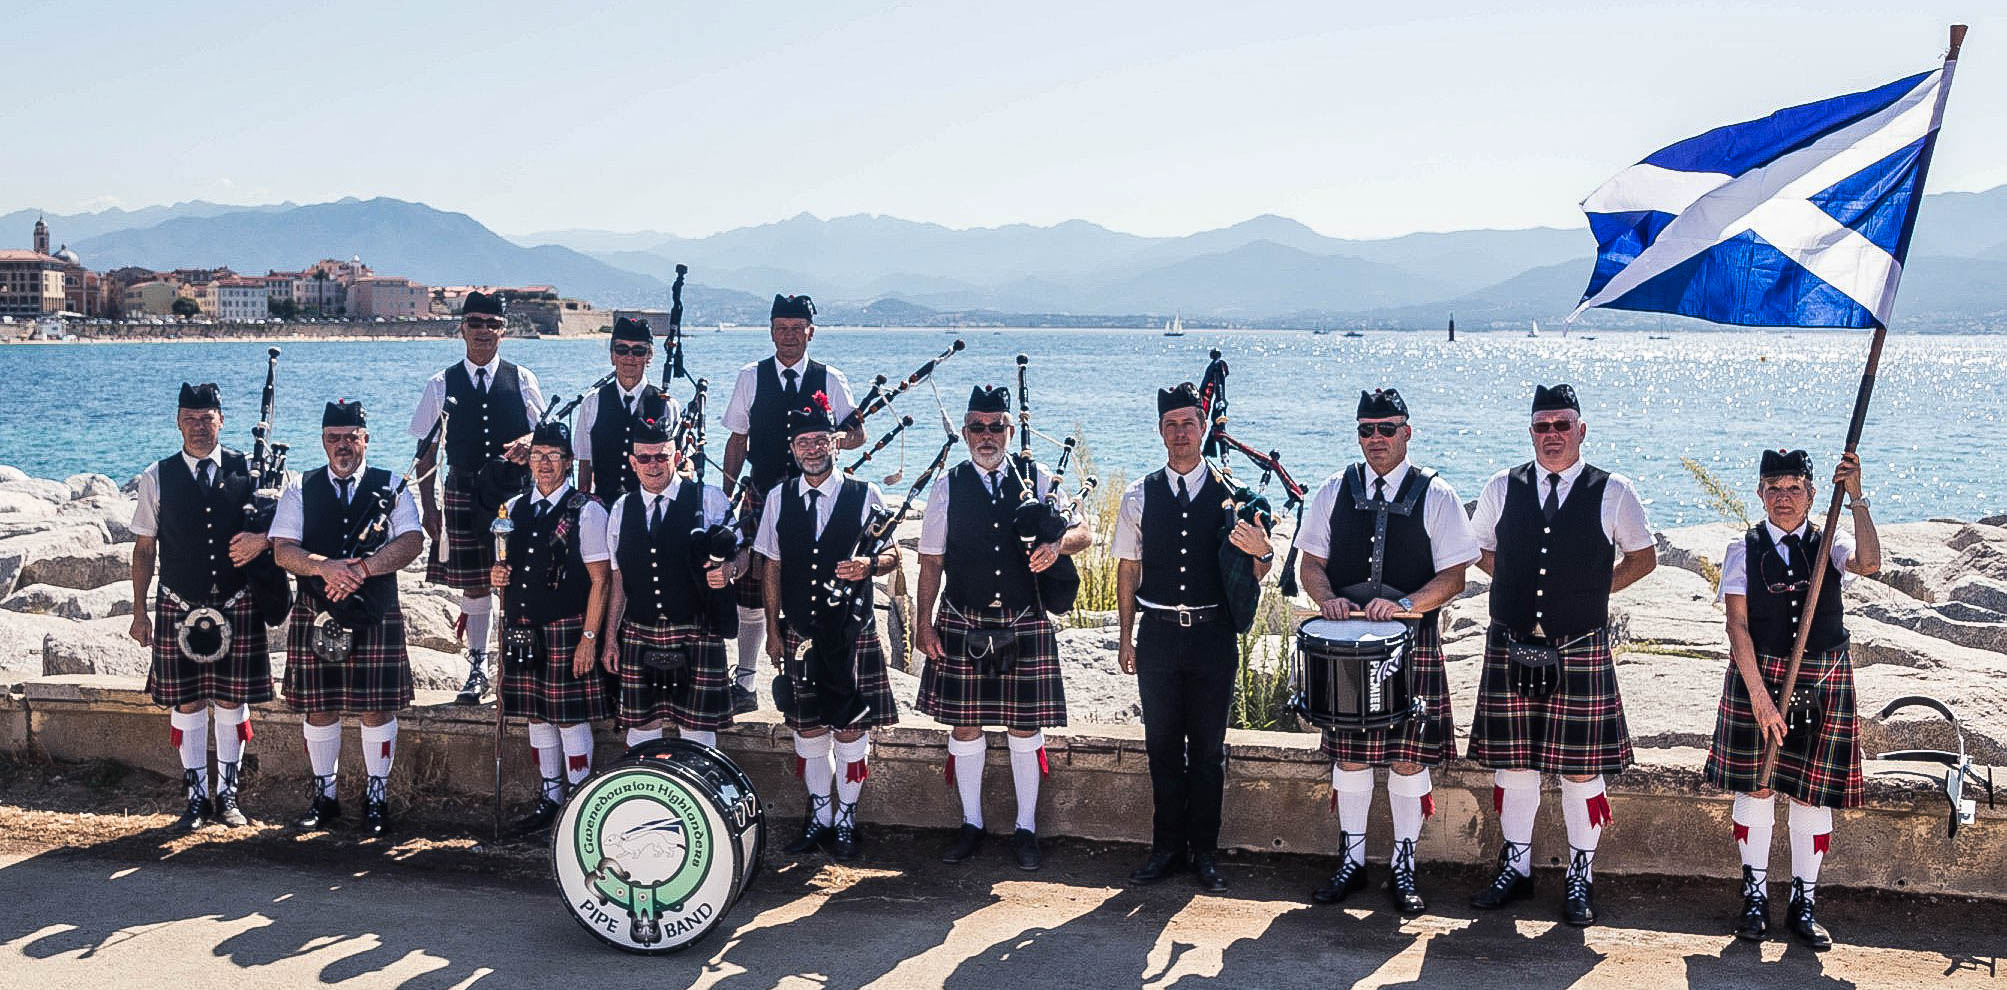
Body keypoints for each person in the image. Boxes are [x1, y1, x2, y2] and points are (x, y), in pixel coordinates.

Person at [1466, 383, 1657, 926]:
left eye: (1561, 425)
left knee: (1581, 771)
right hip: (1512, 641)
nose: (1551, 436)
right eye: (1541, 426)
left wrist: (1592, 594)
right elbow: (1478, 549)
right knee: (1515, 765)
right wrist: (1519, 591)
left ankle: (1581, 876)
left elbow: (1643, 558)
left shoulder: (1613, 489)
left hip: (1579, 647)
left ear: (1581, 430)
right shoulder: (1503, 486)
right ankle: (1517, 868)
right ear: (1531, 432)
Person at [1295, 388, 1478, 914]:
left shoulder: (1437, 494)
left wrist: (1404, 604)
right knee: (1350, 760)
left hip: (1410, 644)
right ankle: (1351, 861)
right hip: (1344, 647)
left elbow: (1454, 577)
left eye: (1387, 429)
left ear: (1407, 432)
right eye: (1366, 430)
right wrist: (1326, 599)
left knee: (1407, 761)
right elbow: (1312, 563)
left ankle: (1404, 865)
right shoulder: (1334, 489)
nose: (1376, 439)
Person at [913, 385, 1095, 871]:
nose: (987, 436)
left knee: (1024, 725)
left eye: (997, 427)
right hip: (962, 616)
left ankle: (1026, 828)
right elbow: (931, 560)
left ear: (1011, 431)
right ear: (966, 431)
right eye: (978, 427)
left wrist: (1057, 548)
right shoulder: (948, 484)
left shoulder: (1036, 477)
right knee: (965, 725)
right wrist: (921, 623)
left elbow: (1086, 531)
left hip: (1024, 619)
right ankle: (971, 823)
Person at [1705, 448, 1880, 950]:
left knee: (1811, 793)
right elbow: (1736, 624)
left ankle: (1805, 900)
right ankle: (1755, 894)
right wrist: (1759, 696)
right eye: (1774, 489)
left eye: (1794, 489)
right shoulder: (1743, 547)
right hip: (1759, 677)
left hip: (1822, 678)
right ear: (1760, 494)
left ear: (1811, 494)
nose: (1784, 499)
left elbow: (1870, 562)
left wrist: (1857, 497)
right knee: (1757, 788)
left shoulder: (1831, 541)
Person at [1114, 383, 1276, 892]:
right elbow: (1127, 569)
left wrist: (1264, 552)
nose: (1180, 433)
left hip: (1213, 637)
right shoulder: (1139, 495)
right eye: (1171, 424)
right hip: (1158, 636)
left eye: (1189, 423)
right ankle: (1166, 850)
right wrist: (1125, 638)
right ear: (1160, 431)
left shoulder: (1235, 498)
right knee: (1161, 746)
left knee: (1208, 751)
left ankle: (1204, 853)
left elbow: (1259, 567)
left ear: (1203, 428)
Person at [753, 393, 899, 860]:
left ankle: (846, 818)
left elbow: (895, 555)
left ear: (837, 443)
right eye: (803, 442)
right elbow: (771, 566)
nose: (812, 449)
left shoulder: (865, 494)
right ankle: (819, 814)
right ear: (792, 448)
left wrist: (869, 563)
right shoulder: (778, 498)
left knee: (851, 730)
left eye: (820, 440)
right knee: (809, 730)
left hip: (851, 632)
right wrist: (774, 631)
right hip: (799, 631)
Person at [270, 400, 424, 837]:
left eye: (350, 438)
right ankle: (325, 796)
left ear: (365, 439)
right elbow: (283, 549)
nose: (343, 446)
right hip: (318, 613)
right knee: (319, 709)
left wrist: (363, 569)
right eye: (334, 438)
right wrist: (325, 567)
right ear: (323, 440)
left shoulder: (390, 485)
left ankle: (377, 797)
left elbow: (412, 540)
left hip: (374, 612)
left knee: (376, 709)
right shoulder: (300, 487)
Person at [128, 382, 274, 831]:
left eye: (206, 419)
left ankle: (227, 794)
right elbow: (144, 549)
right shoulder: (157, 475)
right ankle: (195, 796)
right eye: (189, 419)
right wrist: (139, 612)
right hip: (178, 602)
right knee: (187, 703)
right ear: (178, 421)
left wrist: (263, 539)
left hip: (237, 601)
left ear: (221, 421)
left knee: (232, 701)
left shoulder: (251, 470)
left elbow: (284, 530)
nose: (198, 427)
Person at [719, 294, 864, 714]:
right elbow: (736, 439)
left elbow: (858, 433)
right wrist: (728, 496)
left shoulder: (830, 378)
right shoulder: (751, 376)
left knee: (805, 581)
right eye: (780, 328)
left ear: (810, 333)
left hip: (814, 495)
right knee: (751, 586)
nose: (788, 336)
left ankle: (815, 671)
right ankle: (745, 681)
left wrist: (835, 438)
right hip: (762, 492)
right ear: (771, 332)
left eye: (796, 329)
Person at [411, 290, 545, 706]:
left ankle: (518, 666)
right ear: (461, 328)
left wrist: (530, 439)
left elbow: (549, 441)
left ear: (503, 330)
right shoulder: (440, 383)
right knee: (474, 587)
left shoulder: (523, 379)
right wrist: (429, 507)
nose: (483, 331)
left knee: (517, 580)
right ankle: (476, 667)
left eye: (492, 323)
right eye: (475, 323)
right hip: (463, 492)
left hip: (513, 495)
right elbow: (427, 451)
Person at [490, 421, 613, 835]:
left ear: (567, 462)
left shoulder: (587, 509)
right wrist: (497, 575)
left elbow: (602, 580)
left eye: (554, 456)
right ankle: (551, 796)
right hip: (523, 627)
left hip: (567, 629)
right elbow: (506, 566)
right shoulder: (513, 508)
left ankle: (579, 800)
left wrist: (589, 639)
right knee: (536, 717)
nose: (545, 464)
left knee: (568, 718)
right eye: (538, 455)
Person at [602, 417, 743, 752]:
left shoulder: (708, 499)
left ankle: (698, 796)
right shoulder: (621, 509)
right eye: (645, 458)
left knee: (697, 728)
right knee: (640, 725)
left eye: (662, 456)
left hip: (696, 629)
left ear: (677, 457)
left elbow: (743, 554)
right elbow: (618, 578)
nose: (654, 465)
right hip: (640, 629)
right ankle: (645, 794)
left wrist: (729, 571)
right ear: (633, 462)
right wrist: (610, 638)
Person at [575, 315, 679, 501]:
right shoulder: (592, 402)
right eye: (622, 349)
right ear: (612, 355)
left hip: (650, 509)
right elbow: (585, 463)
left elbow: (674, 465)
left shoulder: (667, 405)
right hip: (603, 507)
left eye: (638, 351)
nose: (629, 357)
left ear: (649, 357)